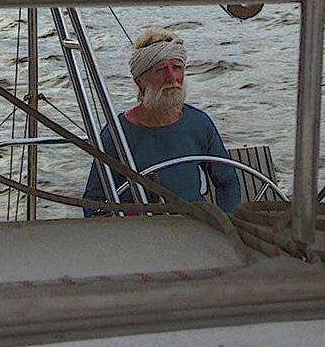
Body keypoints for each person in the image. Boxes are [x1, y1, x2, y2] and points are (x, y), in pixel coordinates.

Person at [82, 26, 241, 214]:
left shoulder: (199, 124)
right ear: (140, 81)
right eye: (160, 70)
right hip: (141, 228)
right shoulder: (117, 134)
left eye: (177, 68)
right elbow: (93, 202)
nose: (171, 77)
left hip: (194, 224)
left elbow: (228, 183)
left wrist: (225, 223)